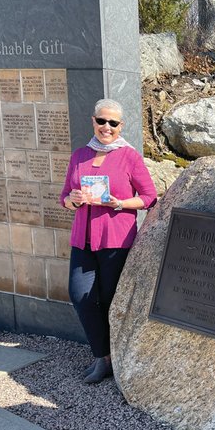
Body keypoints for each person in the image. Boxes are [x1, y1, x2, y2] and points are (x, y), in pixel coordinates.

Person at [60, 99, 157, 384]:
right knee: (80, 296)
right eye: (101, 121)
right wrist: (73, 200)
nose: (106, 127)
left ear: (120, 126)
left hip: (116, 240)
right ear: (93, 121)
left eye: (113, 123)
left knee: (110, 301)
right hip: (83, 240)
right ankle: (103, 357)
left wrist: (121, 202)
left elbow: (149, 197)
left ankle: (119, 357)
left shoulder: (129, 157)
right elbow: (65, 196)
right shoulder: (79, 155)